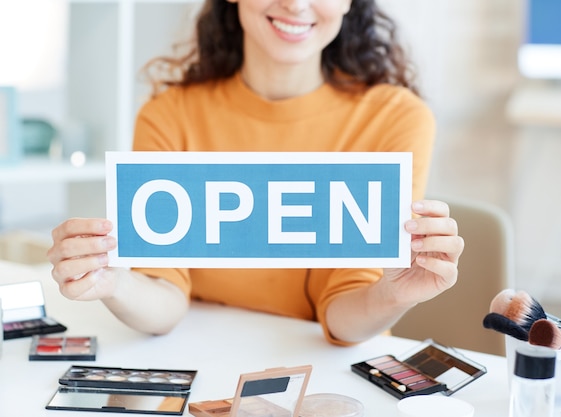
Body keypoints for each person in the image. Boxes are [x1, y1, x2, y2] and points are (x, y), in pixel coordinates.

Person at [48, 0, 464, 346]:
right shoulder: (168, 115)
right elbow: (165, 295)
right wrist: (112, 282)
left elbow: (343, 313)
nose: (296, 4)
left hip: (325, 372)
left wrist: (391, 295)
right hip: (201, 356)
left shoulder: (395, 118)